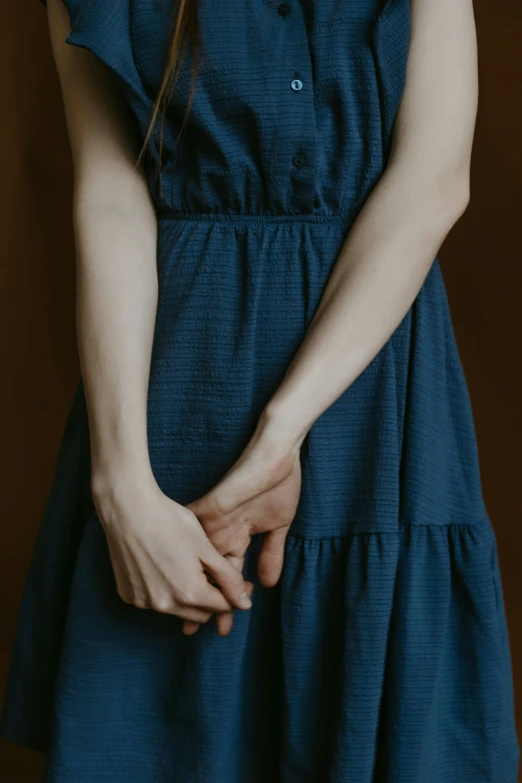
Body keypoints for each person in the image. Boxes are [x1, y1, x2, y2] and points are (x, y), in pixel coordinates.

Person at [1, 0, 519, 780]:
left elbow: (433, 182)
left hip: (371, 399)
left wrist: (282, 433)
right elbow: (109, 199)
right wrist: (121, 487)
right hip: (177, 407)